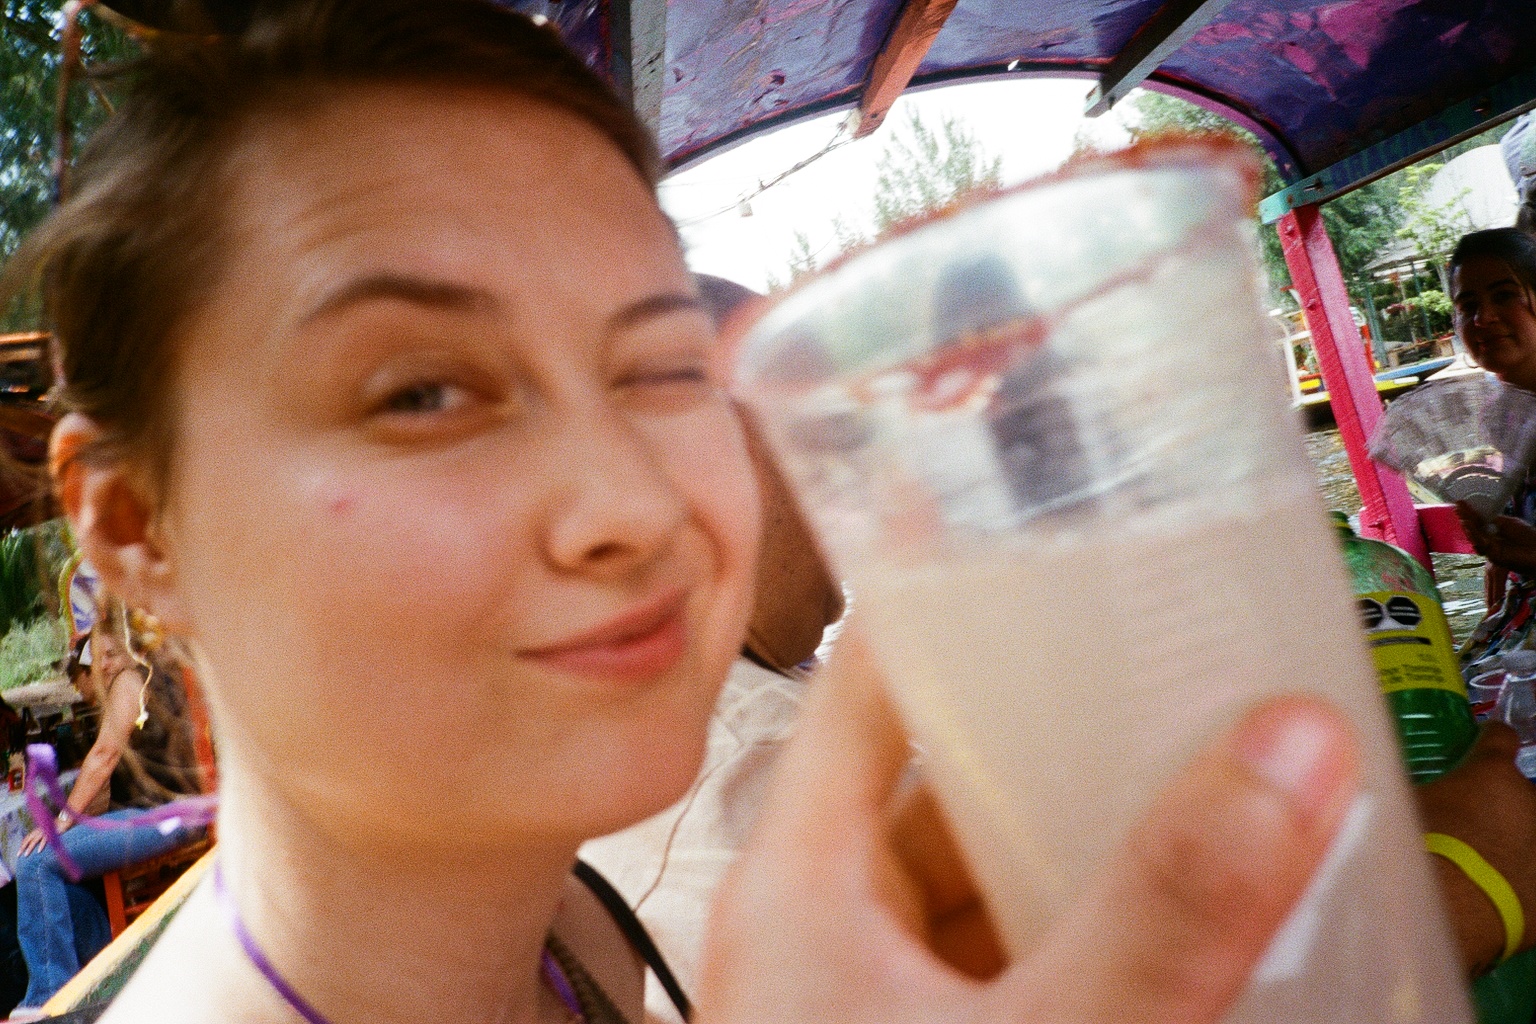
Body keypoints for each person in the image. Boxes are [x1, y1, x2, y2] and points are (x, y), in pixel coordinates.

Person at [7, 2, 1370, 1021]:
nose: (633, 505)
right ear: (136, 529)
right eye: (422, 392)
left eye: (662, 371)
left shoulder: (585, 932)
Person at [11, 606, 204, 1016]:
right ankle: (105, 967)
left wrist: (62, 821)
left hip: (162, 817)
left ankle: (48, 998)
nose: (104, 666)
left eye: (112, 654)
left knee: (35, 862)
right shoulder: (158, 677)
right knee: (60, 881)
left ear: (132, 649)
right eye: (99, 657)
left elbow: (103, 756)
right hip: (178, 814)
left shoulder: (131, 680)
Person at [1452, 229, 1536, 659]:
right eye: (1468, 306)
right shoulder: (1497, 418)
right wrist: (1499, 557)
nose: (1482, 319)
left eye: (1504, 296)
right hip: (1518, 619)